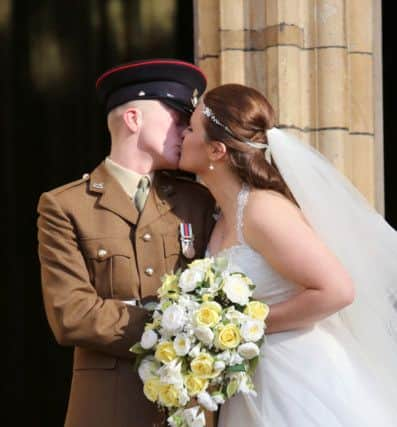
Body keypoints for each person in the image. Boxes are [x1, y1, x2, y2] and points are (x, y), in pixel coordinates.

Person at [179, 83, 397, 426]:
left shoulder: (263, 210)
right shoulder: (221, 213)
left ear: (216, 150)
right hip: (255, 381)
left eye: (190, 128)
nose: (182, 134)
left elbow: (337, 291)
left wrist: (243, 326)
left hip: (300, 379)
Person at [37, 59, 217, 427]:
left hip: (187, 408)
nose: (186, 131)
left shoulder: (197, 201)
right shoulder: (66, 206)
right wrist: (173, 323)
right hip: (107, 407)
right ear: (133, 119)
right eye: (177, 118)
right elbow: (71, 315)